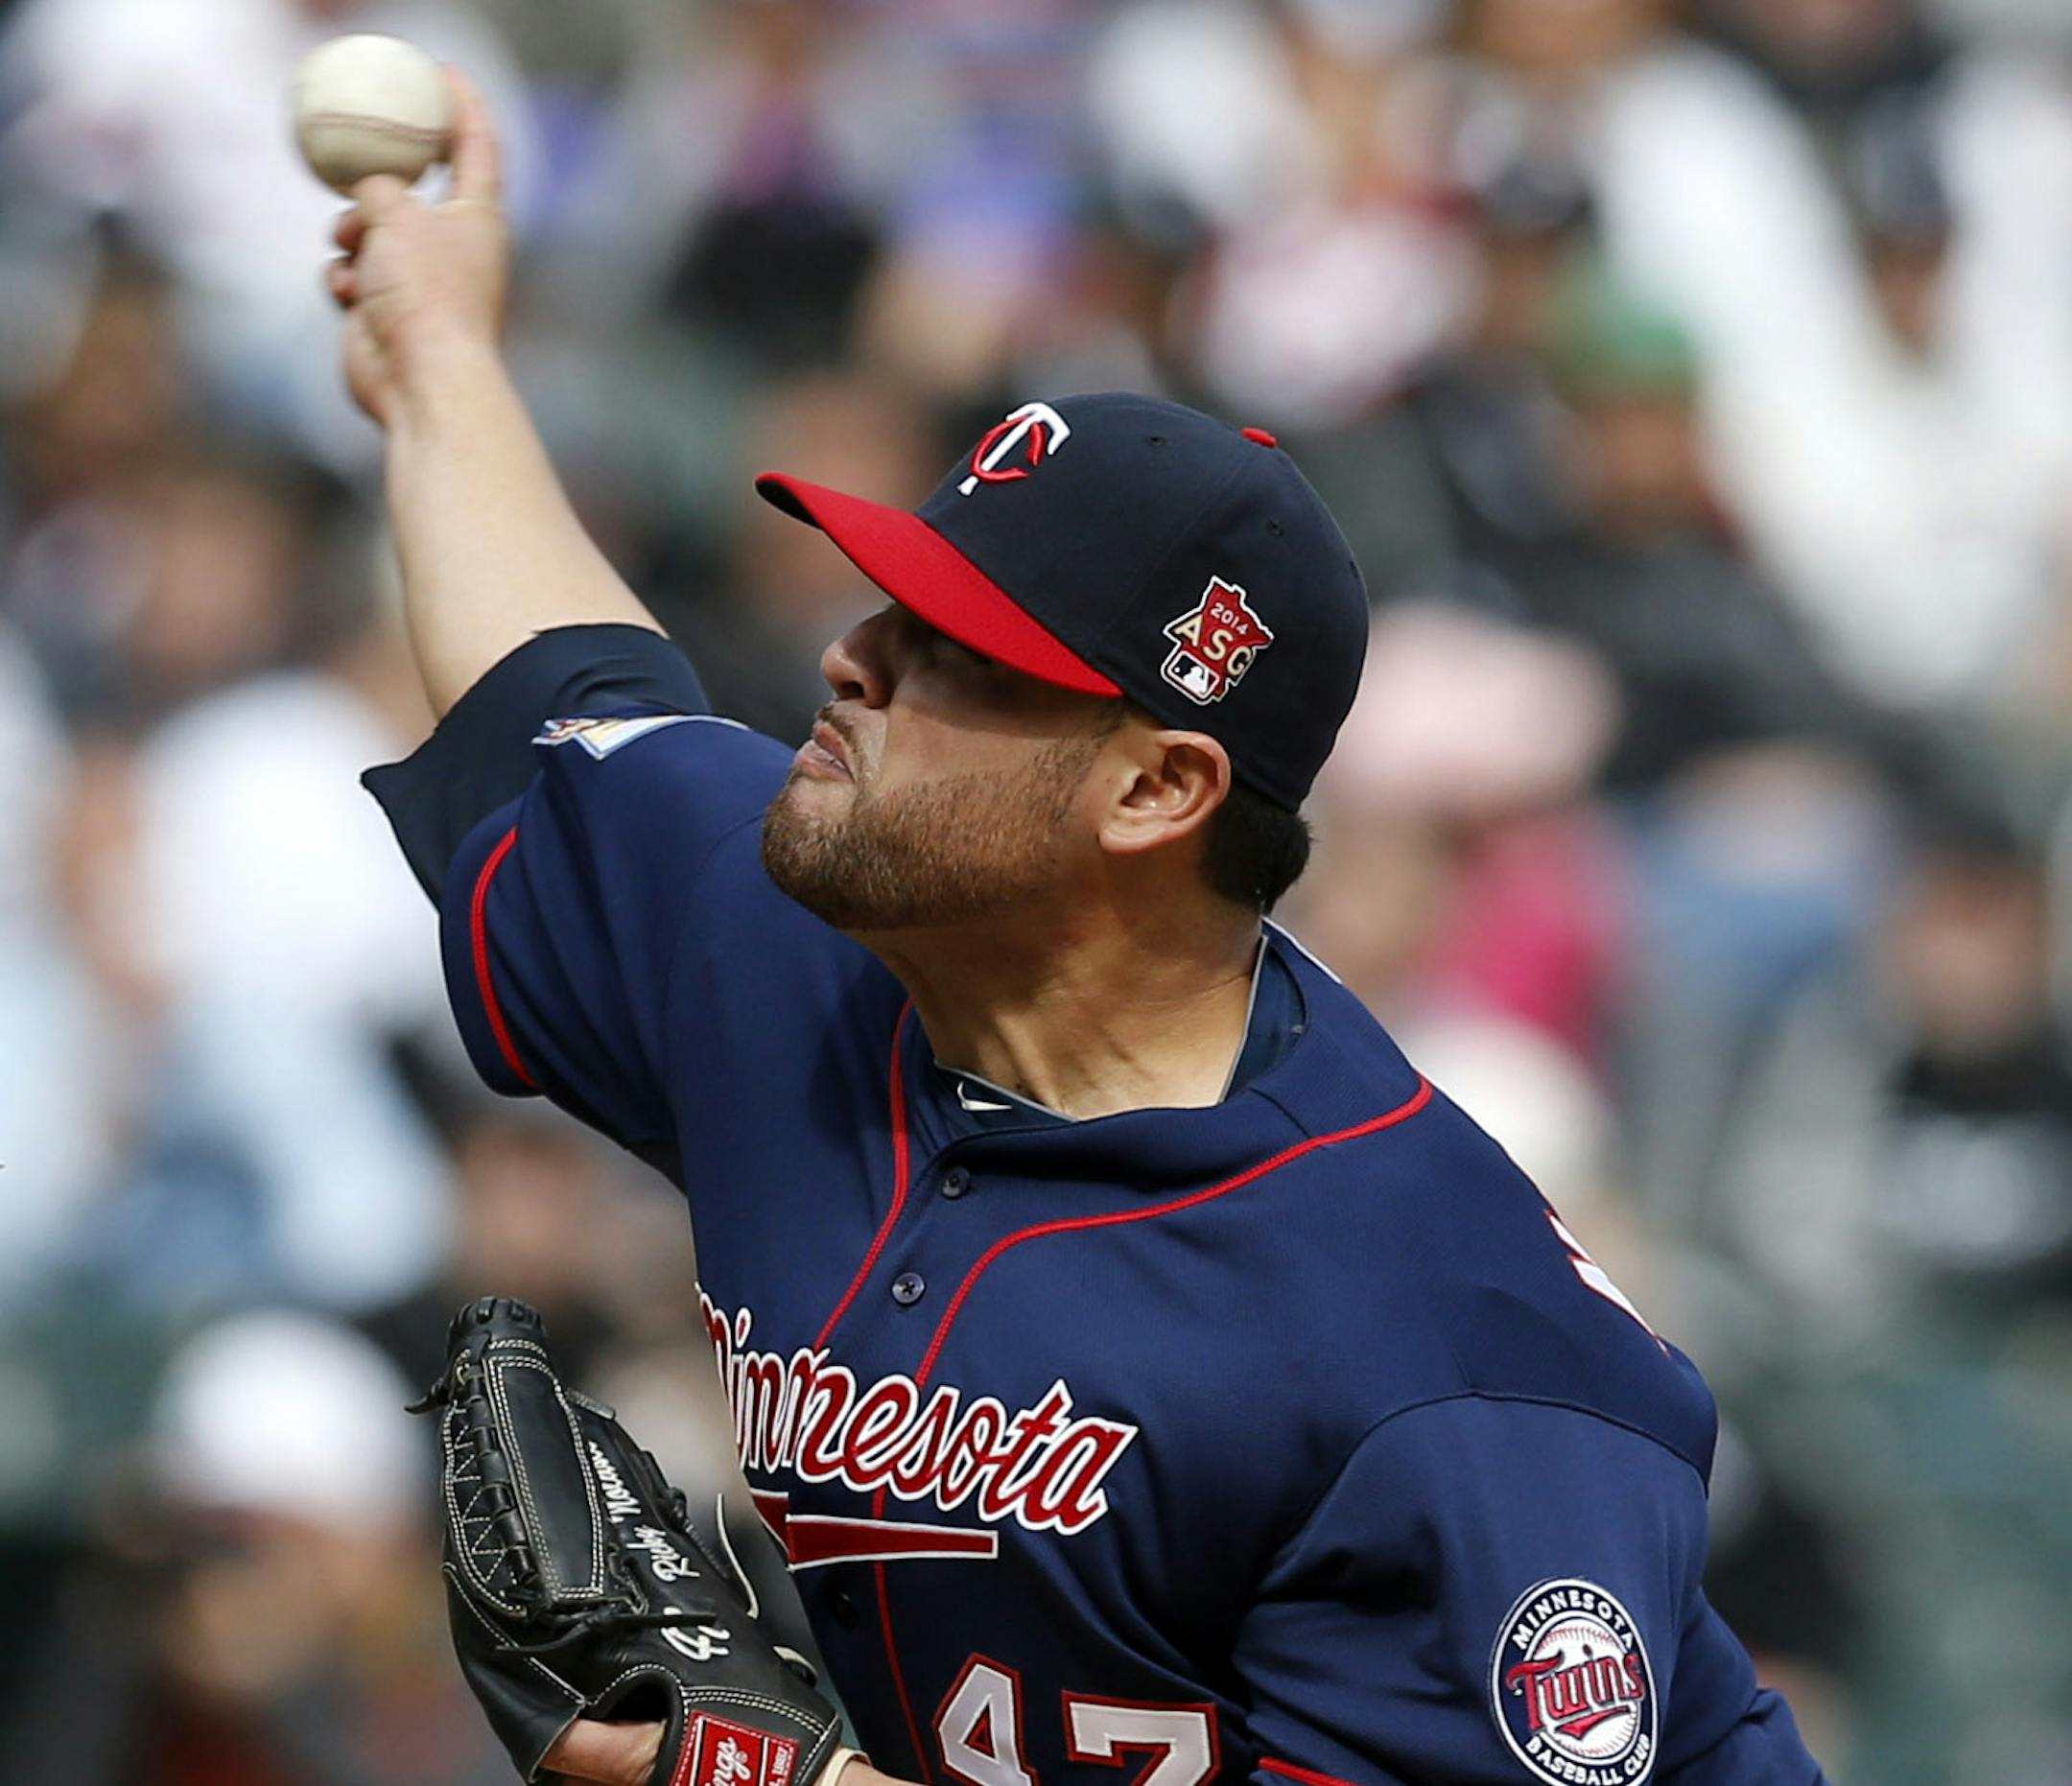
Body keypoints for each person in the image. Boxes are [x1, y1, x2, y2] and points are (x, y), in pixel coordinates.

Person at [330, 69, 1827, 1786]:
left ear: (1156, 788)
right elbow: (571, 699)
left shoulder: (1447, 1360)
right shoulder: (808, 946)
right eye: (894, 600)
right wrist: (437, 349)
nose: (853, 658)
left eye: (959, 657)